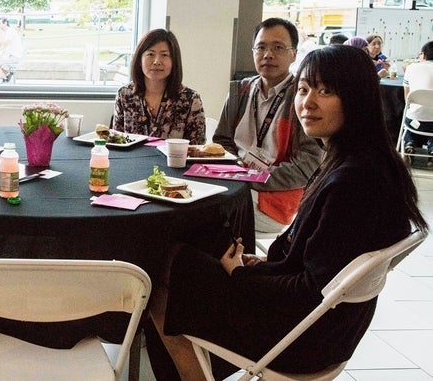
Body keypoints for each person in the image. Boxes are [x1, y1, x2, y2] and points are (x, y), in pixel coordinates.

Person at [146, 44, 428, 380]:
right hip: (328, 328)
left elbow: (309, 290)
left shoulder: (354, 183)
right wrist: (264, 265)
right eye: (305, 89)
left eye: (325, 91)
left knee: (166, 273)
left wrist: (240, 275)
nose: (307, 103)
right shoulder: (370, 162)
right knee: (189, 253)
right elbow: (319, 263)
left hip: (304, 337)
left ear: (357, 98)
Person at [213, 18, 323, 233]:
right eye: (261, 47)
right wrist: (236, 171)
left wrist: (248, 179)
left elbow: (306, 166)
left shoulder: (302, 98)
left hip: (277, 198)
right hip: (237, 184)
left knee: (206, 213)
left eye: (278, 47)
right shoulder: (240, 91)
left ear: (293, 54)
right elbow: (221, 142)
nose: (268, 54)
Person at [113, 29, 205, 142]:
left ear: (174, 61)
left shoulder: (189, 99)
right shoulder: (125, 95)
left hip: (174, 160)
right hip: (132, 159)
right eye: (150, 54)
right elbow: (116, 142)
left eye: (164, 55)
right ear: (139, 59)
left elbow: (198, 148)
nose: (157, 61)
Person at [402, 40, 433, 157]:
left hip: (415, 121)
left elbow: (407, 98)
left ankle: (409, 143)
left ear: (424, 54)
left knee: (410, 119)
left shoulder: (411, 68)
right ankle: (432, 147)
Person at [0, 17, 23, 82]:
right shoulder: (6, 32)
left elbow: (4, 44)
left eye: (0, 23)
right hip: (10, 55)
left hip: (14, 56)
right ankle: (7, 76)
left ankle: (6, 79)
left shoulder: (10, 31)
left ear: (5, 23)